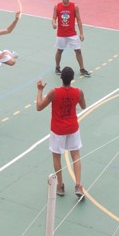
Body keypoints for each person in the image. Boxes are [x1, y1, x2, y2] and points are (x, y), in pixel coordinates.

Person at [36, 67, 87, 199]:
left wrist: (40, 90)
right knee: (75, 155)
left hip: (58, 129)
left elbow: (39, 107)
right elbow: (83, 106)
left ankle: (60, 186)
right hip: (72, 128)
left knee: (57, 156)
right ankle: (78, 185)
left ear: (61, 78)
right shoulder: (78, 92)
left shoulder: (54, 92)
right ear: (72, 79)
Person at [52, 0, 90, 77]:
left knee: (78, 51)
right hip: (61, 34)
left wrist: (81, 33)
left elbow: (79, 20)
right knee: (59, 51)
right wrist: (53, 24)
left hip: (72, 33)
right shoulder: (57, 6)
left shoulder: (74, 6)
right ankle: (57, 67)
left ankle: (82, 69)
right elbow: (53, 18)